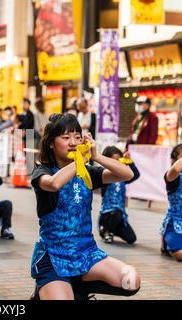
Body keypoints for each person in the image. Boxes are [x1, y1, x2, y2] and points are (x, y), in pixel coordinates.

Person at [30, 113, 140, 300]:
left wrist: (96, 156)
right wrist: (79, 160)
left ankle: (79, 289)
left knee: (131, 280)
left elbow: (127, 174)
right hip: (53, 257)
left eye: (77, 137)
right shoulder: (43, 171)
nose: (73, 142)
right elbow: (54, 184)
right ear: (51, 143)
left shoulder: (87, 172)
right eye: (65, 138)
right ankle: (42, 293)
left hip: (86, 253)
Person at [99, 146, 140, 244]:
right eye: (114, 160)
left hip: (120, 215)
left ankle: (112, 230)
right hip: (107, 214)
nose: (117, 163)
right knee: (116, 212)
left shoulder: (123, 178)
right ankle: (105, 229)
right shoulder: (104, 176)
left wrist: (130, 162)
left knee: (131, 239)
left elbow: (136, 175)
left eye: (119, 160)